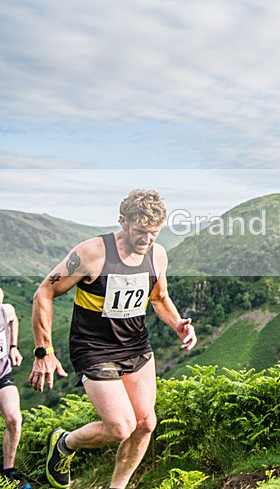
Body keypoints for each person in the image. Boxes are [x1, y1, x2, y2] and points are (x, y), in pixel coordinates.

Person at [29, 189, 197, 489]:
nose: (146, 240)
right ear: (123, 221)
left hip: (136, 346)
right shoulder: (93, 252)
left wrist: (178, 325)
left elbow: (159, 297)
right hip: (94, 348)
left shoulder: (157, 255)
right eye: (140, 232)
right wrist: (44, 351)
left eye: (154, 233)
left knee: (145, 424)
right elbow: (45, 291)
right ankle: (65, 443)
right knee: (121, 427)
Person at [0, 289, 32, 489]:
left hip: (2, 374)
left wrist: (13, 347)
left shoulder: (5, 311)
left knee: (14, 418)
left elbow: (13, 319)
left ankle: (7, 475)